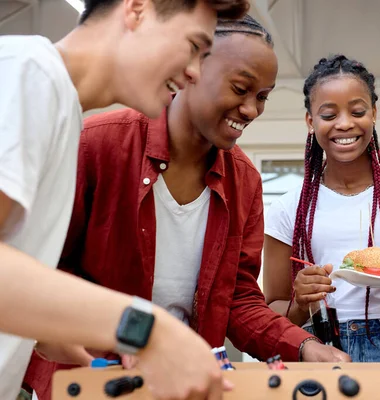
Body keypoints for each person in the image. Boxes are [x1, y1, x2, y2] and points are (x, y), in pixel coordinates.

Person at [21, 15, 350, 400]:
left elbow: (239, 300)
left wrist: (304, 346)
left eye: (262, 96)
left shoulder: (244, 180)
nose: (251, 109)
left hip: (184, 383)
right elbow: (42, 271)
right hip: (89, 378)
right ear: (192, 70)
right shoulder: (99, 145)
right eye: (241, 88)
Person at [0, 0, 250, 399]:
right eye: (192, 46)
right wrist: (148, 329)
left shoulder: (61, 110)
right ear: (137, 9)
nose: (193, 72)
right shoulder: (28, 74)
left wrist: (52, 332)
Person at [263, 54, 380, 363]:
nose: (344, 123)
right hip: (319, 346)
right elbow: (271, 310)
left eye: (357, 111)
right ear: (310, 122)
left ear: (374, 114)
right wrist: (300, 303)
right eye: (328, 115)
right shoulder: (288, 208)